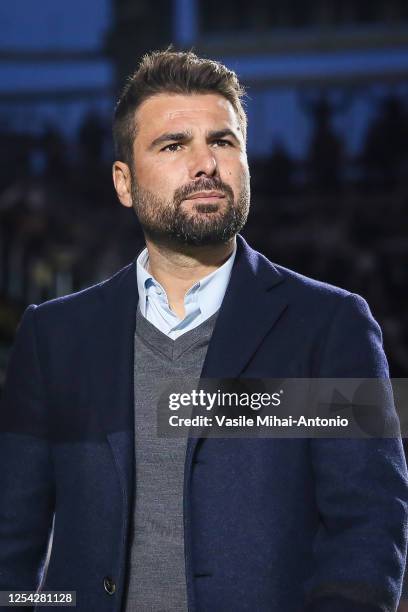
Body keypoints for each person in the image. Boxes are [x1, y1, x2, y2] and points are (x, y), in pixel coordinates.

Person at [1, 49, 407, 612]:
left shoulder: (331, 326)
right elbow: (11, 545)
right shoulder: (54, 338)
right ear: (124, 181)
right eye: (173, 145)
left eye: (223, 141)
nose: (205, 164)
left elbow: (368, 528)